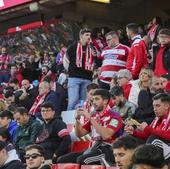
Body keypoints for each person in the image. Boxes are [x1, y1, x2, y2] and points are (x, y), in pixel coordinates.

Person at [57, 89, 123, 165]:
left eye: (97, 99)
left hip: (110, 151)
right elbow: (80, 134)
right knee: (62, 160)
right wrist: (77, 120)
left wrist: (90, 118)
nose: (94, 102)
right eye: (93, 99)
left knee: (82, 160)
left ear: (105, 101)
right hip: (94, 148)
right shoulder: (95, 116)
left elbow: (106, 135)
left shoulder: (115, 117)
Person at [125, 93, 170, 162]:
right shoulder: (157, 118)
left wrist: (148, 129)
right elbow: (147, 136)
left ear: (167, 106)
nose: (154, 109)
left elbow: (168, 135)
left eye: (157, 106)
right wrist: (134, 132)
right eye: (154, 106)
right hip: (162, 149)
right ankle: (129, 162)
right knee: (131, 138)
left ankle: (145, 163)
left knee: (154, 139)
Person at [63, 28, 97, 110]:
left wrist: (95, 56)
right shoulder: (72, 47)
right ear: (81, 36)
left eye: (90, 35)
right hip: (74, 78)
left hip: (87, 79)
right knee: (73, 101)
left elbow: (96, 63)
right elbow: (65, 61)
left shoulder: (92, 48)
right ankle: (70, 122)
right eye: (87, 35)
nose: (89, 37)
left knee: (84, 102)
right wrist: (71, 71)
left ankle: (82, 121)